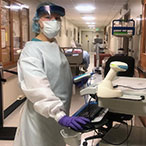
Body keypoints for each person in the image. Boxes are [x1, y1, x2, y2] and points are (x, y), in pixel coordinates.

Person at [14, 2, 89, 146]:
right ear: (38, 22)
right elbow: (37, 87)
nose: (53, 22)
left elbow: (54, 73)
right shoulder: (31, 50)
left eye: (57, 18)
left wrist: (71, 80)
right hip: (42, 116)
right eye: (47, 17)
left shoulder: (54, 45)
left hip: (59, 114)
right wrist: (59, 115)